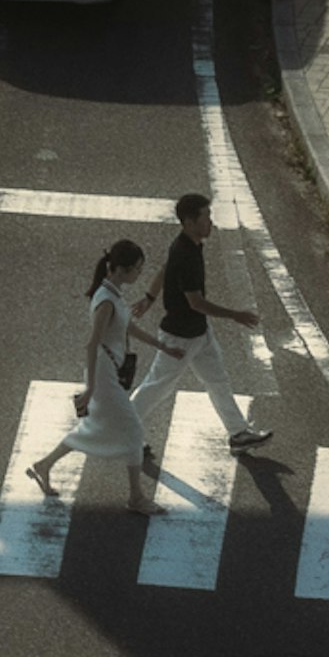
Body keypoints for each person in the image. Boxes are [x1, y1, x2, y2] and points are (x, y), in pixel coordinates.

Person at [42, 238, 180, 502]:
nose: (140, 274)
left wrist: (162, 346)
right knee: (133, 431)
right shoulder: (106, 300)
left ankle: (44, 465)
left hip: (108, 373)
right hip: (104, 376)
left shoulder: (113, 295)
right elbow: (91, 344)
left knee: (97, 427)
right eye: (137, 269)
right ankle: (136, 497)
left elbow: (128, 327)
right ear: (121, 269)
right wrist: (91, 387)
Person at [152, 182, 273, 454]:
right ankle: (122, 429)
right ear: (190, 222)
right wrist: (235, 315)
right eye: (206, 217)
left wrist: (149, 298)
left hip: (198, 334)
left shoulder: (188, 245)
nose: (211, 221)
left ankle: (238, 433)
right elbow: (195, 302)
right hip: (180, 337)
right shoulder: (185, 254)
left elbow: (164, 269)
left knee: (218, 380)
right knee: (157, 387)